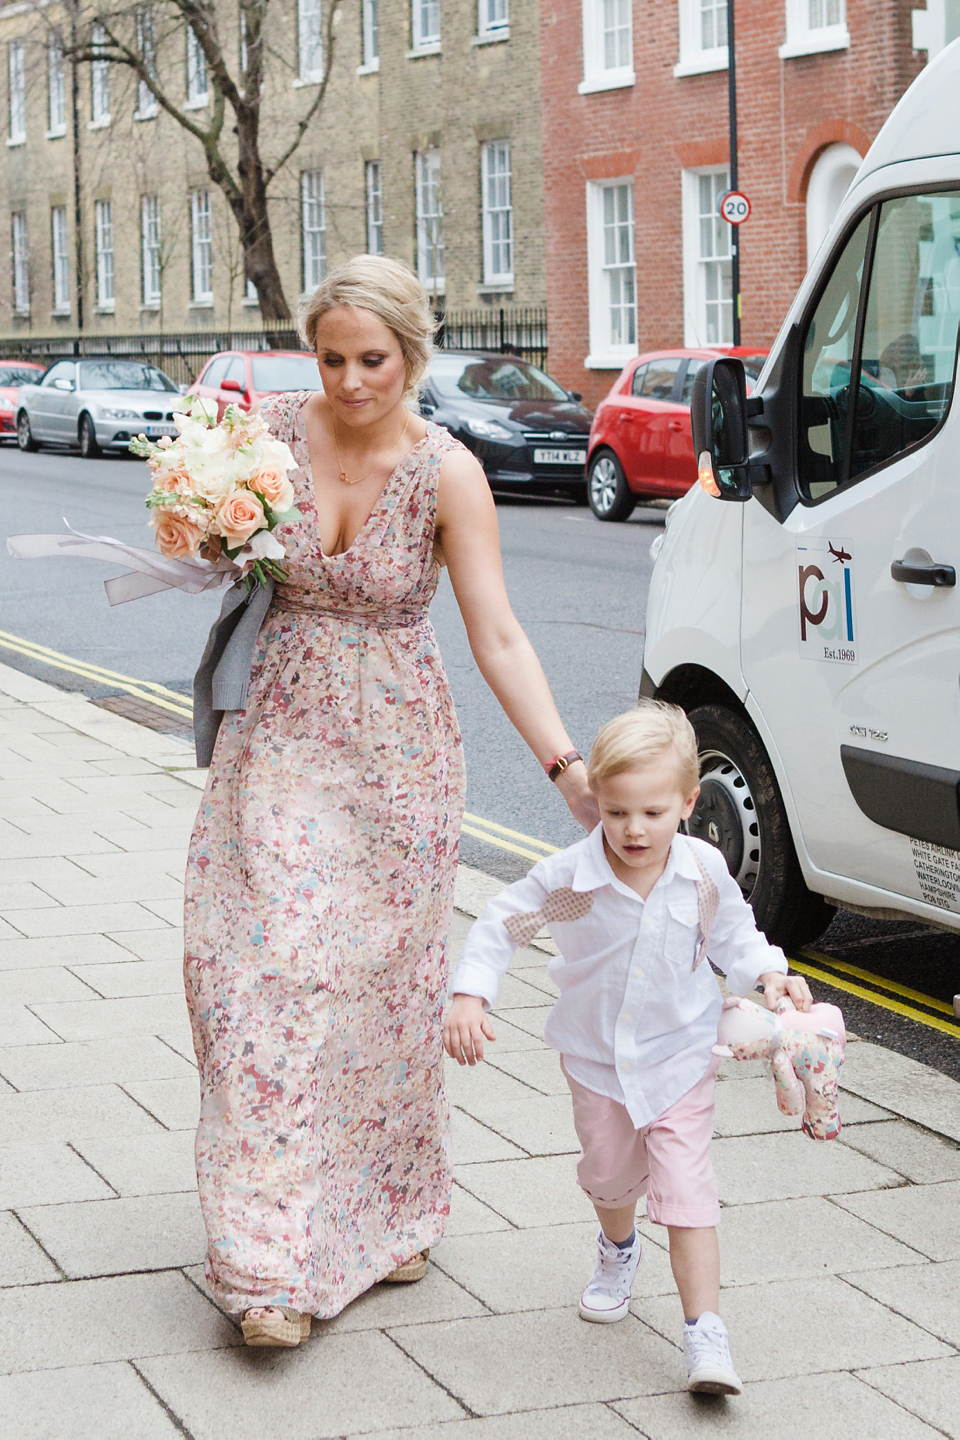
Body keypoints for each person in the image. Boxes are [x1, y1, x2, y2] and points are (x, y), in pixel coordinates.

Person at [184, 254, 596, 1349]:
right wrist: (198, 522)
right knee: (267, 980)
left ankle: (391, 1210)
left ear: (413, 355)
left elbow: (496, 632)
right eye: (333, 358)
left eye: (374, 360)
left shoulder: (446, 471)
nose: (352, 381)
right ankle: (264, 1268)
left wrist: (566, 770)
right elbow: (202, 545)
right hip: (274, 736)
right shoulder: (264, 434)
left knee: (381, 991)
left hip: (397, 757)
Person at [444, 701, 812, 1395]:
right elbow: (503, 923)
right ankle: (617, 1246)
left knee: (688, 1193)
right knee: (610, 1176)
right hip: (597, 1062)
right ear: (599, 803)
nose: (633, 830)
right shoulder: (575, 884)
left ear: (687, 801)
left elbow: (736, 937)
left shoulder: (702, 872)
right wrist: (471, 993)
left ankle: (706, 1335)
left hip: (680, 1058)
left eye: (651, 812)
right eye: (616, 813)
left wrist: (770, 974)